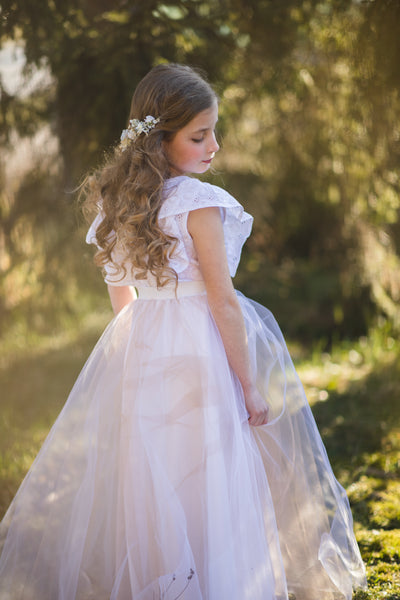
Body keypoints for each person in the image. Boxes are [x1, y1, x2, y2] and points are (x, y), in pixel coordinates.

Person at [0, 63, 366, 600]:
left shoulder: (118, 202)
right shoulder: (201, 203)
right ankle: (217, 583)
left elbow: (119, 290)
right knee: (210, 463)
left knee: (158, 468)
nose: (214, 145)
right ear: (160, 140)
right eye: (200, 135)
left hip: (146, 344)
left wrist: (127, 350)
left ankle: (170, 581)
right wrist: (247, 383)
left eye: (214, 131)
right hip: (199, 347)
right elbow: (221, 299)